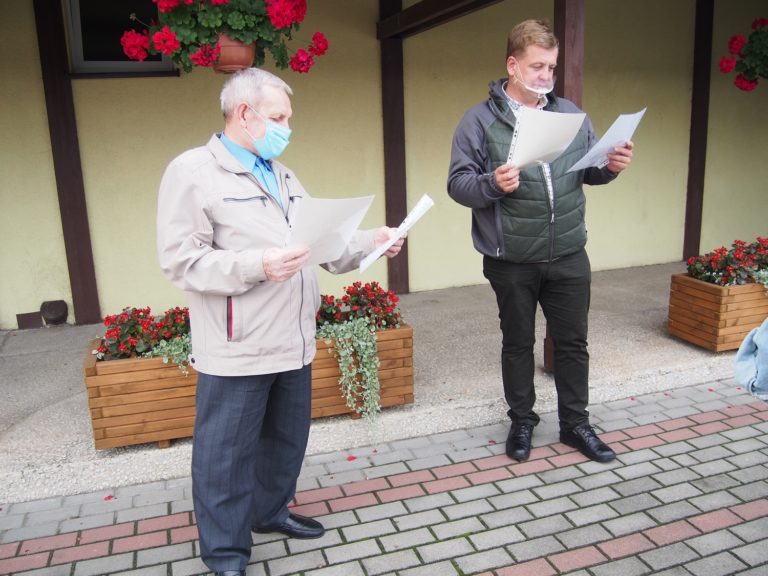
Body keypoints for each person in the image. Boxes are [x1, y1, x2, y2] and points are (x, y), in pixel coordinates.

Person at [156, 68, 404, 576]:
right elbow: (181, 260)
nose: (287, 127)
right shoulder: (193, 171)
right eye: (278, 117)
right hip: (238, 344)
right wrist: (257, 266)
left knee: (285, 441)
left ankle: (269, 512)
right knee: (224, 457)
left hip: (293, 339)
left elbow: (320, 247)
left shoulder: (282, 172)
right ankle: (225, 554)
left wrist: (369, 242)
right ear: (243, 113)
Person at [447, 19, 634, 464]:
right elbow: (458, 185)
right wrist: (492, 183)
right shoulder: (479, 120)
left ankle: (576, 425)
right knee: (517, 344)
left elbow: (588, 171)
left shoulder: (569, 113)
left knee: (573, 343)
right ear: (512, 66)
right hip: (511, 258)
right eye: (536, 67)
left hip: (568, 252)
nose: (545, 76)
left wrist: (611, 165)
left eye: (550, 67)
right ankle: (523, 422)